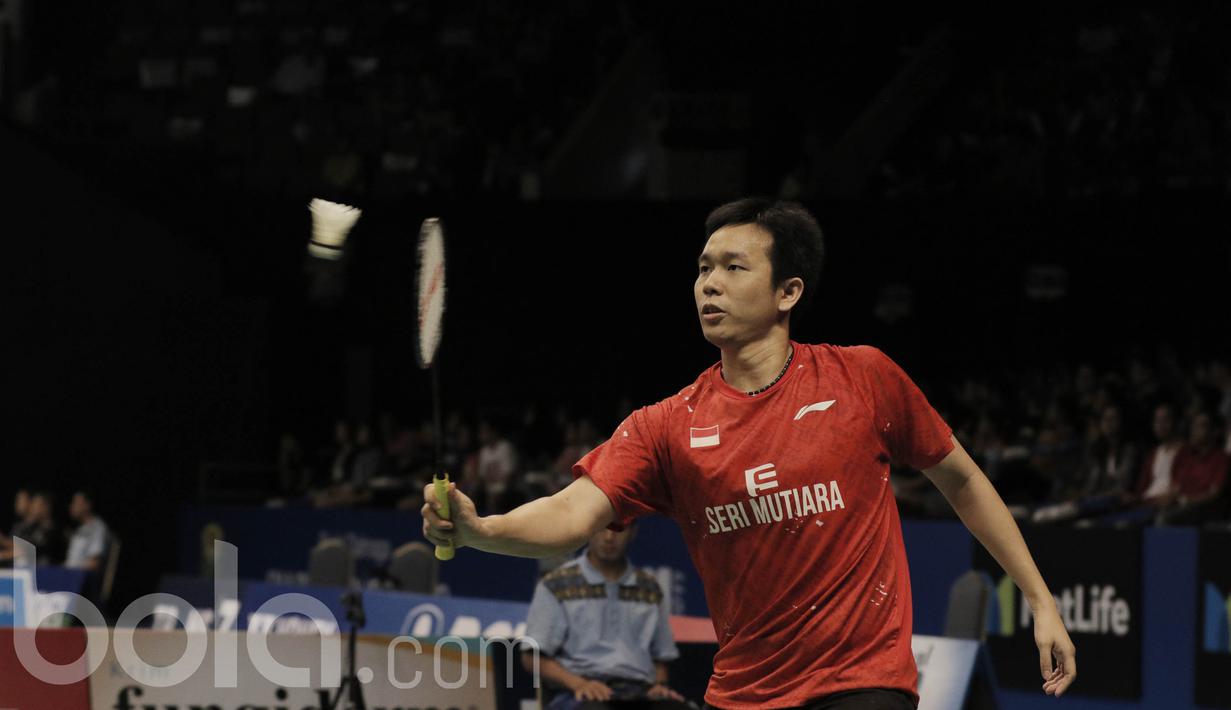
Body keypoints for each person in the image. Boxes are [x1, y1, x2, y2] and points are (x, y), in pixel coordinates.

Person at [424, 198, 1076, 708]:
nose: (709, 284)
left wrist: (1040, 599)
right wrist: (483, 529)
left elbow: (960, 481)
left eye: (733, 268)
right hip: (743, 693)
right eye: (703, 268)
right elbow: (570, 517)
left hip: (863, 683)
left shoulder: (862, 379)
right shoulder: (666, 425)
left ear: (787, 292)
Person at [523, 523, 688, 709]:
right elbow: (533, 657)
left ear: (633, 532)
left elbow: (661, 658)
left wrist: (659, 686)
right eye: (602, 528)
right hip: (577, 693)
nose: (609, 537)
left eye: (619, 529)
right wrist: (579, 684)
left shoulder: (649, 587)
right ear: (588, 530)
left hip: (640, 694)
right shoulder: (555, 584)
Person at [65, 490, 110, 572]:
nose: (71, 507)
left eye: (76, 503)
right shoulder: (80, 529)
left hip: (83, 579)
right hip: (69, 576)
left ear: (87, 505)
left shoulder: (98, 528)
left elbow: (94, 563)